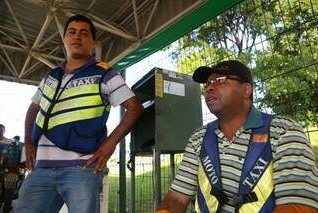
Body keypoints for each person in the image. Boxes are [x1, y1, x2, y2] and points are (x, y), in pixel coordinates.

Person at [16, 14, 143, 213]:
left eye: (84, 33)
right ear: (65, 39)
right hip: (40, 169)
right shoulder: (51, 75)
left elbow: (135, 107)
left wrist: (109, 145)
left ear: (92, 43)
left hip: (81, 169)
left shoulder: (105, 73)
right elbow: (33, 107)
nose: (77, 36)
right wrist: (28, 141)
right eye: (72, 32)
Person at [157, 60, 318, 213]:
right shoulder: (198, 139)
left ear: (246, 90)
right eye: (208, 83)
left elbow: (297, 205)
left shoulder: (283, 131)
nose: (209, 88)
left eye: (219, 80)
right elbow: (177, 197)